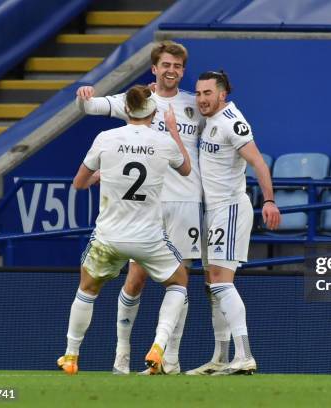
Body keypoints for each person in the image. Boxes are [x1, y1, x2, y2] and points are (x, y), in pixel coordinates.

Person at [76, 40, 200, 375]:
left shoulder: (194, 104)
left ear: (182, 71)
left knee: (181, 278)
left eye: (177, 66)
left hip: (186, 203)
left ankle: (170, 360)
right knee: (135, 281)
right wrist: (85, 93)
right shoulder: (139, 100)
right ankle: (122, 355)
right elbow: (90, 107)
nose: (171, 71)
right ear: (154, 68)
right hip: (147, 208)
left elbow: (221, 123)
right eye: (166, 65)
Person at [185, 71, 281, 376]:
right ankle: (220, 357)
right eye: (198, 93)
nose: (201, 99)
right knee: (212, 284)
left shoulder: (232, 122)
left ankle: (244, 355)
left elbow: (258, 163)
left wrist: (268, 200)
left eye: (208, 93)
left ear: (222, 94)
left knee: (221, 281)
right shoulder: (209, 119)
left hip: (230, 209)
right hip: (211, 211)